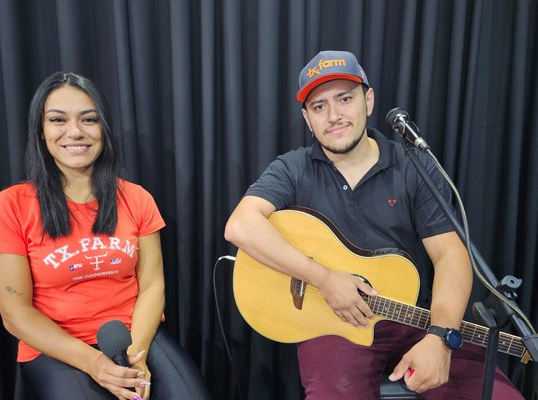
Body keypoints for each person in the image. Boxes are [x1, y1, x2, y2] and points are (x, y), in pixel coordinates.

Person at [224, 51, 524, 399]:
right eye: (319, 107)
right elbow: (241, 226)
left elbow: (449, 256)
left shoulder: (412, 167)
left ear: (368, 100)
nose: (333, 116)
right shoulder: (292, 169)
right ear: (307, 119)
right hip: (333, 326)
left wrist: (440, 337)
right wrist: (324, 278)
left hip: (416, 318)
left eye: (345, 99)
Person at [0, 72, 165, 400]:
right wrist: (96, 364)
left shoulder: (136, 198)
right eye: (57, 120)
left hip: (135, 337)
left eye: (89, 119)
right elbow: (15, 313)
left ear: (103, 127)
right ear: (41, 130)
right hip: (54, 349)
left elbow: (152, 286)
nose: (75, 132)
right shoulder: (10, 206)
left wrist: (136, 355)